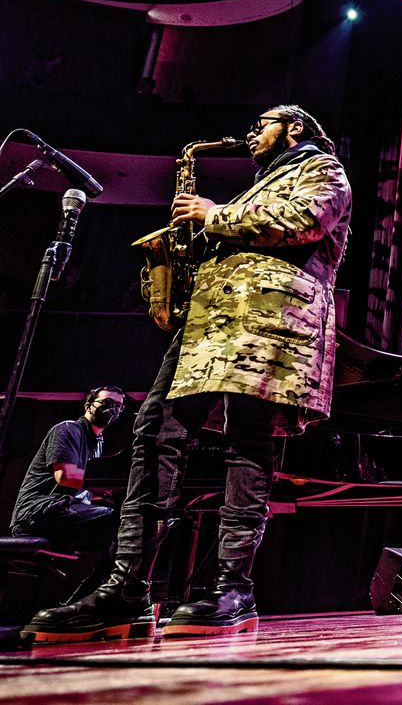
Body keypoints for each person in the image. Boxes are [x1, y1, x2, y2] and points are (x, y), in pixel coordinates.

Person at [23, 105, 351, 644]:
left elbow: (305, 222)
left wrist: (213, 215)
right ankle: (128, 585)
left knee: (248, 443)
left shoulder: (322, 169)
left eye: (263, 122)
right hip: (207, 327)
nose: (251, 131)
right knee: (154, 432)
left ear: (293, 128)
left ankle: (232, 586)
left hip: (272, 325)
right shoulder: (257, 185)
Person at [9, 386, 126, 551]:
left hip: (63, 511)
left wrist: (117, 493)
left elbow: (87, 490)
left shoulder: (98, 442)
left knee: (121, 530)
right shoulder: (68, 429)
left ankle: (108, 577)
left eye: (118, 406)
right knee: (121, 522)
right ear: (88, 405)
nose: (112, 409)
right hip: (39, 511)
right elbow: (66, 476)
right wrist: (106, 484)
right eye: (107, 402)